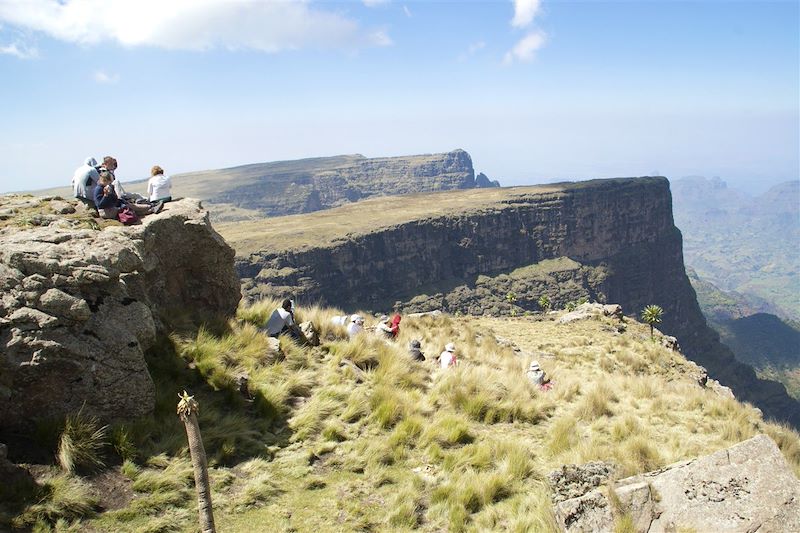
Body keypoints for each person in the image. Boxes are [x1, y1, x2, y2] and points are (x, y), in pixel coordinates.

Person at [94, 174, 163, 220]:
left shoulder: (106, 187)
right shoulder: (98, 189)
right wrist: (106, 196)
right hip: (106, 212)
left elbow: (114, 200)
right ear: (105, 181)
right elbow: (100, 205)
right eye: (110, 182)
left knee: (128, 207)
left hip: (111, 208)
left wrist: (114, 195)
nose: (111, 184)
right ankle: (151, 207)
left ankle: (152, 209)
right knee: (129, 208)